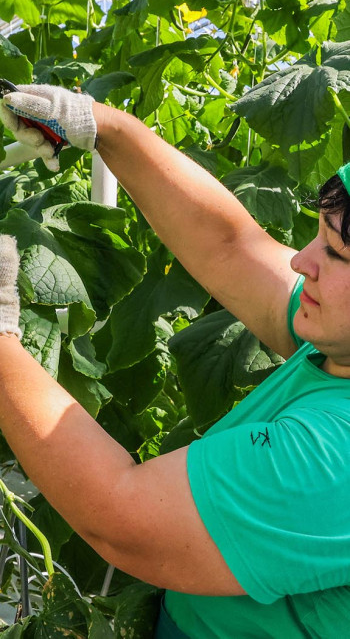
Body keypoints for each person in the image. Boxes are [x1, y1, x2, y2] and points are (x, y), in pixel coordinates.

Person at [0, 84, 349, 639]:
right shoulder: (339, 335)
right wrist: (102, 126)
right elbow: (230, 246)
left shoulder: (335, 460)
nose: (303, 261)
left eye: (337, 253)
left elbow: (119, 518)